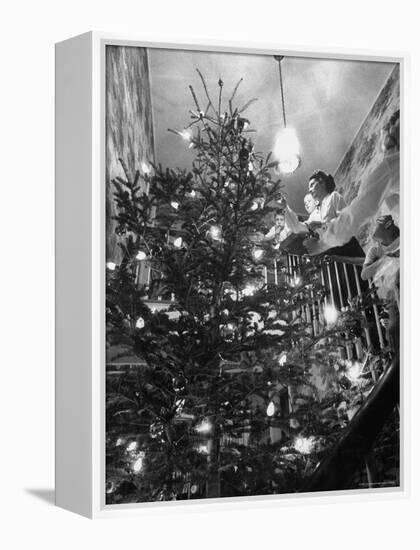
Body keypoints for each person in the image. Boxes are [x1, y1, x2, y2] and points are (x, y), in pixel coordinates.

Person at [304, 110, 400, 256]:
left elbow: (356, 213)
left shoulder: (391, 165)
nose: (388, 128)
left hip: (341, 243)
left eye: (392, 128)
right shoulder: (394, 172)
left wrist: (320, 244)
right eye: (387, 127)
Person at [303, 170, 365, 258]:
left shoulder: (334, 196)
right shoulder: (317, 212)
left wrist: (322, 225)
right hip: (332, 251)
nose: (310, 190)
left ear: (322, 182)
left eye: (312, 185)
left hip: (347, 245)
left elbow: (345, 221)